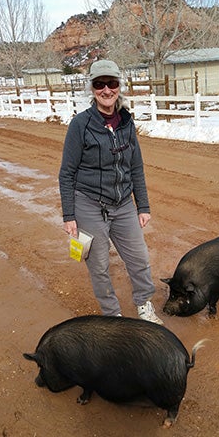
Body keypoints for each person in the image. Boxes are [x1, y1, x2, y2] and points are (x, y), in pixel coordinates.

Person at [59, 59, 163, 324]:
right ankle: (112, 316)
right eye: (99, 84)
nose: (107, 90)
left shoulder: (127, 123)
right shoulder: (80, 125)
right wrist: (69, 215)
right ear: (91, 88)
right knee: (99, 265)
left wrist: (143, 206)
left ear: (120, 86)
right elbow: (67, 173)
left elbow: (136, 167)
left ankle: (144, 305)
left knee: (139, 258)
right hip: (89, 204)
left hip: (123, 203)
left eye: (112, 83)